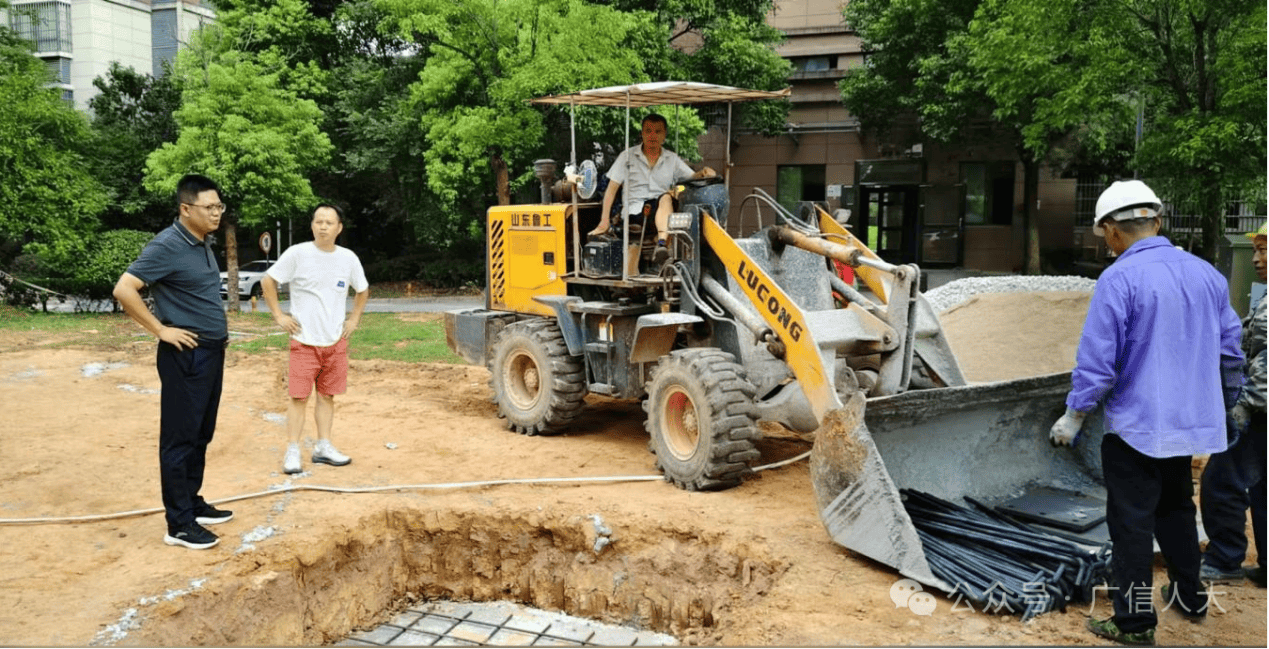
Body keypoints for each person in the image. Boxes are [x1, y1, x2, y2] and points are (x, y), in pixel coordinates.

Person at [1047, 180, 1244, 645]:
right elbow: (1230, 352)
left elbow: (1099, 360)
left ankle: (1134, 623)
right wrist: (1226, 406)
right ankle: (1191, 596)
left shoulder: (1119, 279)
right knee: (1176, 507)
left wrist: (1075, 414)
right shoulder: (1207, 275)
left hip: (1136, 428)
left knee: (1131, 522)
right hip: (1184, 428)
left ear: (1113, 232)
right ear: (1156, 221)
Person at [112, 174, 234, 550]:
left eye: (219, 206)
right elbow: (124, 289)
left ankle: (191, 503)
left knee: (201, 433)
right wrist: (161, 330)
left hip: (211, 351)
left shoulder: (201, 243)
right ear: (185, 209)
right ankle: (178, 524)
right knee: (180, 438)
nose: (216, 213)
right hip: (187, 355)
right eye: (208, 207)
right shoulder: (167, 244)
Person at [262, 204, 369, 475]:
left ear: (339, 228)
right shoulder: (298, 254)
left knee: (327, 395)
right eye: (318, 221)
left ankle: (323, 446)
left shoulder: (348, 258)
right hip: (304, 342)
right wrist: (278, 315)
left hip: (335, 342)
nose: (323, 226)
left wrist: (354, 319)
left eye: (329, 222)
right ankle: (293, 450)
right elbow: (268, 280)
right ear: (312, 226)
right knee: (299, 398)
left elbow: (363, 289)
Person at [1199, 222, 1267, 587]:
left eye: (1264, 251)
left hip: (1260, 413)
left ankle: (1224, 560)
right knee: (1264, 488)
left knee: (1222, 481)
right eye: (1255, 250)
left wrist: (1241, 407)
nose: (1257, 259)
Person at [588, 113, 717, 267]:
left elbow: (691, 178)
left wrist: (703, 173)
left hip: (662, 212)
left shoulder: (672, 159)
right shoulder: (627, 157)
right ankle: (661, 244)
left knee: (667, 198)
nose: (652, 136)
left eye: (658, 131)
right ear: (642, 134)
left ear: (664, 135)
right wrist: (604, 221)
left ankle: (662, 246)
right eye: (648, 131)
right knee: (666, 198)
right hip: (634, 214)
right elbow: (611, 189)